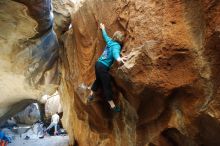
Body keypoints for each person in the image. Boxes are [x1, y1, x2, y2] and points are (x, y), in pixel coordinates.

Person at [88, 23, 127, 112]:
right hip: (103, 67)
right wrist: (119, 59)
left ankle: (91, 94)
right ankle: (112, 106)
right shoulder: (116, 46)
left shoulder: (110, 41)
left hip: (98, 64)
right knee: (106, 85)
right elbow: (115, 54)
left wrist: (103, 28)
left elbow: (105, 36)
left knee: (98, 80)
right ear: (120, 39)